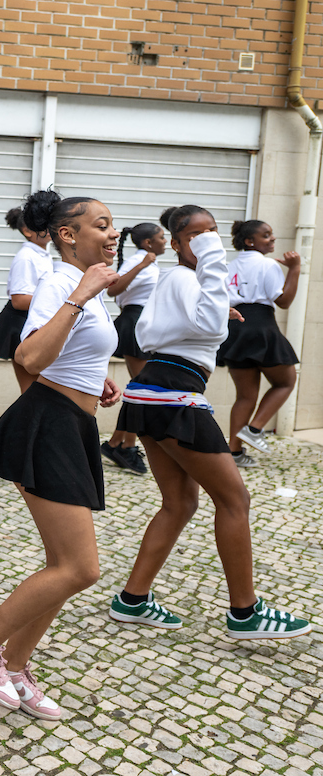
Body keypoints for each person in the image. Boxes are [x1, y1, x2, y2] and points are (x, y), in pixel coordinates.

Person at [110, 205, 311, 640]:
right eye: (197, 237)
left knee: (180, 503)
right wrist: (213, 289)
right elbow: (192, 324)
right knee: (234, 500)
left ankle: (132, 599)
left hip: (152, 394)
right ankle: (245, 613)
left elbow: (155, 332)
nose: (207, 242)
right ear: (178, 244)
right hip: (173, 396)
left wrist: (218, 310)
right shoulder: (183, 277)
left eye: (213, 234)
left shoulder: (186, 282)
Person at [0, 189, 121, 721]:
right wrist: (79, 295)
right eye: (101, 225)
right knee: (80, 568)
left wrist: (92, 379)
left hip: (72, 423)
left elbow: (60, 352)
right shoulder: (62, 282)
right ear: (68, 235)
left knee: (65, 564)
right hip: (48, 426)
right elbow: (27, 354)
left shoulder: (88, 286)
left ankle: (15, 665)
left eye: (112, 224)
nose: (112, 232)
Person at [219, 219, 301, 467]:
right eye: (266, 236)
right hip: (261, 325)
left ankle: (234, 453)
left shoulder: (228, 267)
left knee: (245, 396)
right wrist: (295, 269)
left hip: (235, 327)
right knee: (286, 381)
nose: (273, 239)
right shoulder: (267, 265)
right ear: (249, 241)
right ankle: (254, 430)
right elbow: (284, 301)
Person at [99, 222, 165, 475]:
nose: (164, 241)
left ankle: (119, 443)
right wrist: (142, 265)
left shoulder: (151, 262)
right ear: (148, 243)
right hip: (134, 322)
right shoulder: (140, 260)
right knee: (143, 388)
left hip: (143, 322)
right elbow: (113, 288)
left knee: (143, 388)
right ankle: (124, 445)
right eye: (161, 237)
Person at [0, 207, 52, 393]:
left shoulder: (42, 255)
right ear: (27, 231)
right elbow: (19, 301)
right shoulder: (26, 257)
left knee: (40, 390)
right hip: (19, 325)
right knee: (31, 390)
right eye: (42, 225)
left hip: (33, 322)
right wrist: (58, 302)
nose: (49, 227)